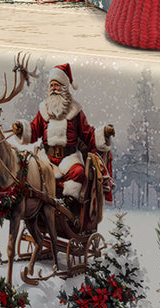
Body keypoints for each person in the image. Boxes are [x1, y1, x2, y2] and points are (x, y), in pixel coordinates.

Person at [12, 64, 113, 206]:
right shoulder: (44, 109)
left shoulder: (75, 111)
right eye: (51, 85)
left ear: (64, 87)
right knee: (33, 171)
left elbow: (88, 133)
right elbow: (34, 130)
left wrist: (104, 133)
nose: (53, 88)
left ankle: (69, 201)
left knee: (78, 172)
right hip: (46, 157)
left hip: (69, 158)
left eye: (57, 85)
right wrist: (22, 129)